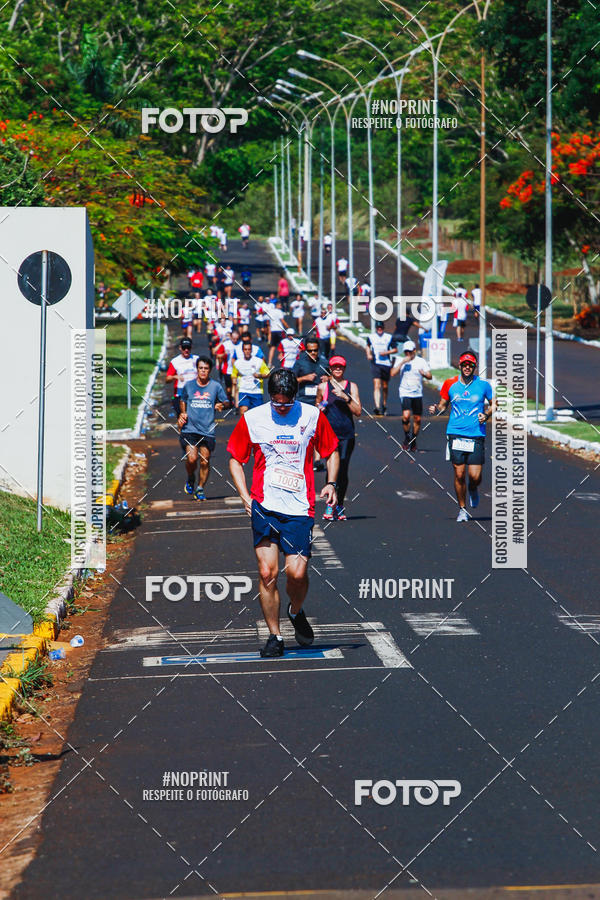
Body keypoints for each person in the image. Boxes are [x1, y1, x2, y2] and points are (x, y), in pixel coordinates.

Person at [227, 368, 340, 658]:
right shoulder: (253, 419)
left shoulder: (311, 415)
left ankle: (295, 610)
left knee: (297, 573)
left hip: (299, 508)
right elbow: (235, 460)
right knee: (267, 573)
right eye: (277, 403)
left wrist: (330, 482)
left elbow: (331, 450)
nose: (282, 408)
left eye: (287, 403)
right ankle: (275, 636)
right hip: (264, 505)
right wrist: (244, 497)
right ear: (269, 397)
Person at [428, 350, 496, 522]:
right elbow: (443, 405)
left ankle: (473, 489)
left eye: (470, 365)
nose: (467, 367)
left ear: (474, 367)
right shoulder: (450, 384)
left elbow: (494, 404)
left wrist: (487, 415)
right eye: (464, 364)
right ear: (459, 365)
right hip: (455, 433)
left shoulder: (483, 385)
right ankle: (462, 509)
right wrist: (436, 408)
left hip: (476, 434)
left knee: (475, 477)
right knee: (459, 474)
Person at [316, 355, 361, 521]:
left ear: (344, 368)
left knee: (343, 470)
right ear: (330, 368)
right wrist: (320, 408)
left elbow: (358, 411)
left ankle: (339, 504)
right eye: (335, 367)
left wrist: (346, 397)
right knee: (331, 469)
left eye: (340, 367)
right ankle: (330, 504)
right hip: (330, 435)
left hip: (347, 434)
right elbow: (317, 406)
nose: (337, 369)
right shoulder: (322, 387)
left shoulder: (351, 386)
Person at [179, 356, 229, 500]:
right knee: (192, 458)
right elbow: (183, 400)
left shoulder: (215, 386)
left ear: (210, 370)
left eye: (206, 369)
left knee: (205, 460)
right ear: (197, 369)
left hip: (207, 430)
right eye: (200, 368)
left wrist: (221, 405)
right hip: (190, 429)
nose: (203, 371)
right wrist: (183, 412)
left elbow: (226, 401)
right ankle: (190, 477)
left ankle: (200, 488)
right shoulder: (189, 386)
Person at [390, 340, 432, 451]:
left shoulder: (421, 361)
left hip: (417, 393)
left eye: (409, 351)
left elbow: (430, 376)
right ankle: (406, 437)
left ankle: (413, 440)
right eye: (406, 352)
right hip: (405, 392)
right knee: (406, 416)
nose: (407, 354)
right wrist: (402, 362)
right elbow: (392, 373)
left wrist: (424, 374)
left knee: (417, 419)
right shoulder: (400, 360)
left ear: (414, 350)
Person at [366, 321, 397, 415]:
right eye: (378, 328)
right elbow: (368, 346)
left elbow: (395, 349)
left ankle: (384, 404)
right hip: (376, 363)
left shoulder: (388, 337)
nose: (379, 329)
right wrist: (368, 354)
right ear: (376, 328)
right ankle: (377, 406)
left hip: (386, 363)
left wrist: (386, 353)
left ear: (383, 328)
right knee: (376, 385)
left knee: (385, 386)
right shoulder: (371, 337)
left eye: (381, 328)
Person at [232, 341, 270, 413]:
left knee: (257, 414)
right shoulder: (237, 363)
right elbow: (234, 379)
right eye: (245, 349)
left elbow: (268, 374)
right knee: (243, 411)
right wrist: (235, 398)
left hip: (256, 391)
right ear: (243, 350)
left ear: (251, 350)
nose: (247, 351)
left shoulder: (258, 361)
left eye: (249, 349)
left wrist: (259, 375)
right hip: (243, 391)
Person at [165, 337, 198, 418]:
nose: (186, 350)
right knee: (182, 419)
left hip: (195, 394)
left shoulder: (197, 359)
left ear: (191, 348)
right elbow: (167, 379)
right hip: (180, 395)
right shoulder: (175, 362)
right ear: (180, 348)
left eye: (188, 348)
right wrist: (175, 376)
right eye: (184, 348)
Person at [292, 336, 329, 404]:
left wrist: (328, 378)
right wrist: (304, 378)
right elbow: (291, 380)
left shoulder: (325, 363)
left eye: (315, 350)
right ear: (306, 350)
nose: (313, 352)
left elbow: (335, 378)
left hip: (321, 399)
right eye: (310, 351)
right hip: (303, 399)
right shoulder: (299, 363)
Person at [266, 300, 289, 367]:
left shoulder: (270, 312)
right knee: (283, 346)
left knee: (272, 347)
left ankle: (269, 363)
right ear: (277, 305)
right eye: (280, 305)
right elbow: (282, 321)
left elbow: (268, 323)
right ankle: (283, 362)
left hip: (273, 331)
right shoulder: (279, 312)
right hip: (280, 330)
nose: (281, 306)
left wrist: (269, 337)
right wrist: (288, 328)